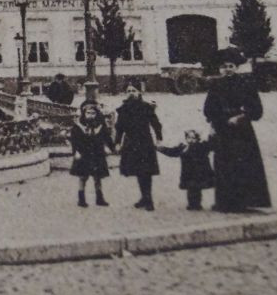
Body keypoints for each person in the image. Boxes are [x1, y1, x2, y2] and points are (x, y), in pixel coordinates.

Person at [203, 49, 272, 211]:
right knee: (224, 166)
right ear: (219, 69)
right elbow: (208, 110)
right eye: (223, 67)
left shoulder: (246, 84)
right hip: (222, 130)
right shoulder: (215, 85)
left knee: (243, 165)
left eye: (230, 66)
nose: (227, 69)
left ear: (236, 67)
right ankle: (225, 203)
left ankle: (245, 202)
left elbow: (256, 110)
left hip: (242, 132)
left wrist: (241, 117)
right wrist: (215, 123)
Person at [114, 81, 164, 210]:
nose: (131, 93)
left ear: (139, 92)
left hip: (145, 142)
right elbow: (119, 128)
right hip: (130, 143)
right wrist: (117, 143)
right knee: (137, 171)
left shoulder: (146, 107)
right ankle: (144, 198)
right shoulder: (123, 109)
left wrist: (159, 139)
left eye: (134, 91)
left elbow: (156, 124)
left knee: (146, 171)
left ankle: (149, 200)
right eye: (129, 91)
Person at [69, 99, 113, 207]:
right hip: (84, 153)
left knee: (97, 177)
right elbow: (75, 140)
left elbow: (107, 137)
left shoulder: (100, 126)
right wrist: (76, 152)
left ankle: (99, 198)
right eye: (88, 113)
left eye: (93, 113)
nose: (90, 116)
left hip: (97, 153)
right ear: (84, 114)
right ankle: (81, 199)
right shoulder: (78, 127)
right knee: (83, 176)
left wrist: (111, 147)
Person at [159, 128, 215, 211]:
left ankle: (196, 205)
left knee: (196, 189)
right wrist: (161, 149)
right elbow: (172, 152)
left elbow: (211, 145)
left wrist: (212, 135)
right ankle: (192, 204)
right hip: (188, 172)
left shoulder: (201, 146)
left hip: (199, 172)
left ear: (197, 139)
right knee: (191, 189)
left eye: (193, 138)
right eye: (189, 138)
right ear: (186, 138)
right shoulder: (183, 147)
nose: (191, 140)